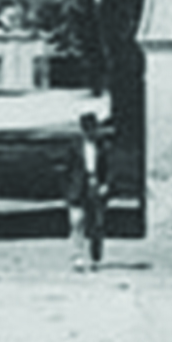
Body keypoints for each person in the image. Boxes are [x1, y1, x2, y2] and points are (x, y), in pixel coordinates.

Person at [64, 108, 112, 272]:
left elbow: (108, 168)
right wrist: (68, 190)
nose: (92, 133)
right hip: (78, 187)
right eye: (88, 129)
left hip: (95, 186)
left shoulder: (103, 147)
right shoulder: (74, 147)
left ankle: (94, 256)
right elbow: (68, 169)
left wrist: (105, 184)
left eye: (93, 129)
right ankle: (77, 256)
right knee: (77, 223)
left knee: (96, 224)